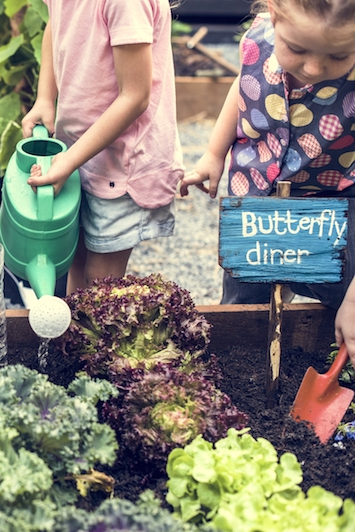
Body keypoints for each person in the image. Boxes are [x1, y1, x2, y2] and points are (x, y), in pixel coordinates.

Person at [179, 0, 355, 361]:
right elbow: (244, 84)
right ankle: (242, 366)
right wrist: (214, 152)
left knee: (342, 288)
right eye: (297, 49)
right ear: (274, 15)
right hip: (257, 200)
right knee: (246, 302)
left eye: (337, 57)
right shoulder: (258, 36)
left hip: (331, 201)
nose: (313, 67)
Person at [21, 0, 183, 295]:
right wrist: (45, 97)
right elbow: (54, 28)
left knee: (100, 281)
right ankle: (70, 339)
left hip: (123, 163)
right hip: (79, 153)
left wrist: (68, 162)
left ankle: (92, 339)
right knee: (75, 258)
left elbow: (135, 97)